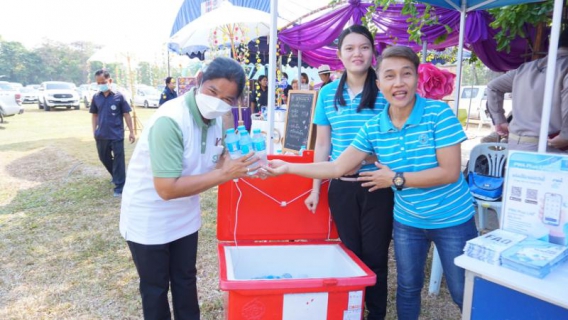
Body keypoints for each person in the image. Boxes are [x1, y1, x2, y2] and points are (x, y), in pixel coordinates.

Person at [267, 46, 477, 320]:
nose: (398, 83)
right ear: (379, 84)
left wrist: (395, 179)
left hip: (452, 219)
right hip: (408, 221)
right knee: (407, 288)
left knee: (464, 291)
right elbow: (337, 165)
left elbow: (449, 172)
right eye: (389, 76)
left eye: (406, 74)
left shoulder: (439, 114)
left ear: (417, 79)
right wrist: (288, 168)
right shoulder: (374, 127)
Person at [120, 57, 259, 320]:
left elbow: (220, 159)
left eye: (228, 99)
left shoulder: (218, 118)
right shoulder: (170, 120)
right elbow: (167, 189)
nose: (218, 101)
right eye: (213, 92)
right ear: (198, 83)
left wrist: (245, 164)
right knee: (155, 289)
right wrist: (224, 174)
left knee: (185, 279)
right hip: (149, 218)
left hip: (185, 216)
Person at [302, 25, 394, 320]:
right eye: (350, 48)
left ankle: (376, 313)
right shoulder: (328, 93)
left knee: (376, 257)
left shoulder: (385, 89)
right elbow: (323, 145)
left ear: (373, 52)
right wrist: (316, 188)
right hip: (341, 186)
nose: (358, 53)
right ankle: (352, 312)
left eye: (364, 47)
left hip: (377, 184)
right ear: (340, 55)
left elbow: (394, 140)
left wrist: (365, 157)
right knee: (350, 255)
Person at [487, 27, 568, 152]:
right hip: (549, 150)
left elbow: (493, 87)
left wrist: (499, 120)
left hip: (515, 147)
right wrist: (565, 135)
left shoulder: (525, 68)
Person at [90, 69, 135, 197]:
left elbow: (126, 114)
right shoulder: (96, 97)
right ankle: (116, 175)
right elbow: (94, 115)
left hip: (116, 134)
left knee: (119, 159)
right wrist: (94, 131)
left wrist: (131, 132)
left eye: (103, 82)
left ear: (110, 81)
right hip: (101, 134)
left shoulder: (119, 96)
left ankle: (120, 186)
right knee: (104, 158)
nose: (101, 85)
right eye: (98, 83)